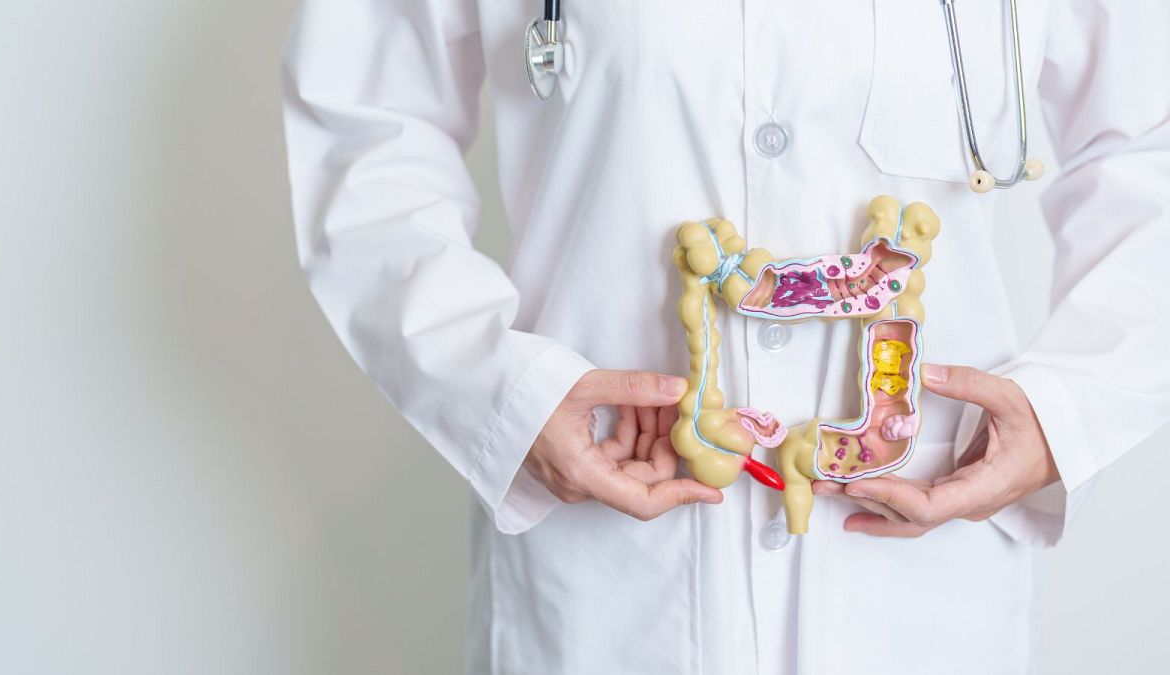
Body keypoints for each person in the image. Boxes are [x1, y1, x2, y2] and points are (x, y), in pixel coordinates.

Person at [281, 1, 1170, 673]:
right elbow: (367, 127)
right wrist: (501, 393)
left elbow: (1148, 146)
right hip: (608, 570)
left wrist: (1065, 414)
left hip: (922, 588)